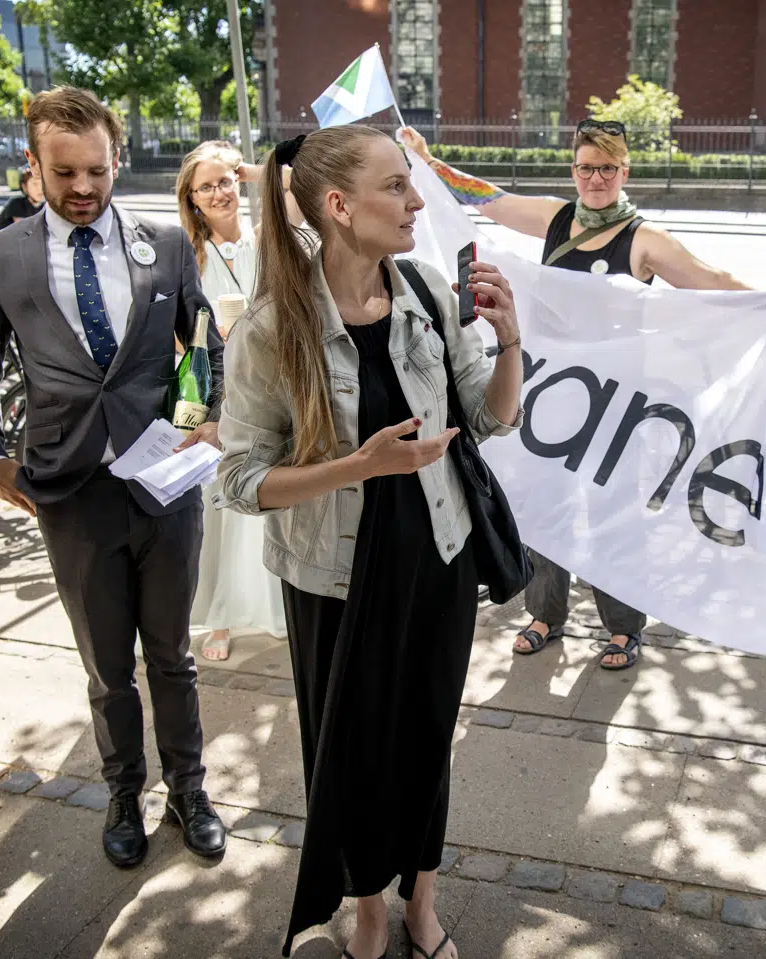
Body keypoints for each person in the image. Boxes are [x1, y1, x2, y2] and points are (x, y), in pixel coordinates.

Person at [216, 125, 523, 959]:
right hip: (333, 578)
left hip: (438, 562)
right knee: (348, 754)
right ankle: (369, 913)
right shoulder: (272, 329)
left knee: (426, 741)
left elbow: (489, 419)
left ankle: (421, 902)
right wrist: (358, 465)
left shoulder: (425, 292)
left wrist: (510, 342)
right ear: (339, 206)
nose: (416, 201)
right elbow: (239, 479)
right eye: (396, 186)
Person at [401, 118, 766, 670]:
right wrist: (428, 164)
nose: (595, 179)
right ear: (573, 170)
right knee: (544, 501)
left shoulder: (643, 239)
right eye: (585, 168)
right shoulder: (555, 218)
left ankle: (623, 628)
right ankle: (545, 614)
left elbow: (711, 281)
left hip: (614, 406)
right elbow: (488, 200)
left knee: (612, 512)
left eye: (606, 168)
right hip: (553, 395)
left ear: (624, 171)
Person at [0, 86, 228, 870]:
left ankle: (189, 791)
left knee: (172, 656)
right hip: (70, 495)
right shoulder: (0, 256)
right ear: (33, 165)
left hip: (164, 488)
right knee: (108, 671)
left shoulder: (166, 243)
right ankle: (123, 793)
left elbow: (202, 342)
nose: (83, 188)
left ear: (117, 159)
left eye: (97, 171)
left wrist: (198, 415)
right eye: (65, 172)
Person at [175, 140, 287, 661]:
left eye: (225, 181)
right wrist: (209, 338)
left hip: (269, 379)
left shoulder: (268, 241)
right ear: (192, 198)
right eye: (206, 187)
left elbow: (307, 191)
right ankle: (220, 615)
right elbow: (175, 334)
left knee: (265, 492)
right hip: (219, 389)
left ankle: (269, 603)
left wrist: (256, 171)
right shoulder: (187, 254)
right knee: (219, 503)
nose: (219, 193)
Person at [0, 165, 44, 232]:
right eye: (35, 184)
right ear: (24, 186)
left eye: (42, 184)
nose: (40, 188)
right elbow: (25, 232)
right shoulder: (16, 204)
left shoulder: (44, 206)